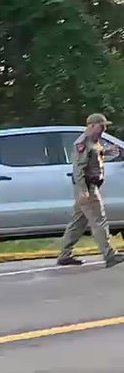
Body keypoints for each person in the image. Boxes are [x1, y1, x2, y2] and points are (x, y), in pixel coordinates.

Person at [57, 113, 124, 268]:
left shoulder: (94, 142)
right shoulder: (83, 143)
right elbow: (78, 169)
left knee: (78, 222)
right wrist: (83, 190)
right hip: (87, 187)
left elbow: (93, 156)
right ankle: (110, 255)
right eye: (102, 126)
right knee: (99, 220)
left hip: (89, 186)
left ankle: (65, 255)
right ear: (92, 125)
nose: (104, 129)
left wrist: (106, 152)